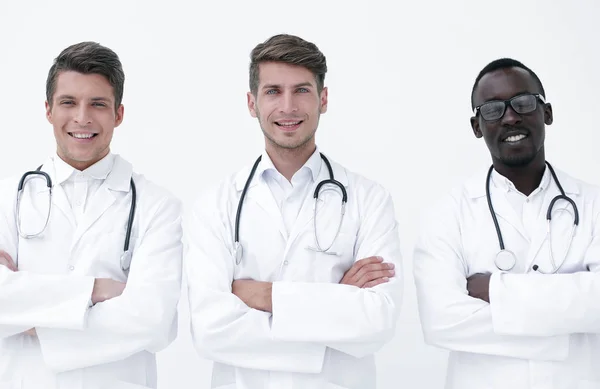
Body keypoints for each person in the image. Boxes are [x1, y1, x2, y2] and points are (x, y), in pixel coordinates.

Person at [185, 34, 403, 389]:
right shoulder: (216, 204)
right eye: (273, 91)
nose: (288, 107)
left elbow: (378, 322)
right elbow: (210, 330)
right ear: (252, 103)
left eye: (301, 90)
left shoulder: (369, 199)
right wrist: (336, 303)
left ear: (324, 99)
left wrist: (263, 295)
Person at [0, 42, 182, 389]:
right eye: (68, 102)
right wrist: (95, 290)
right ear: (48, 110)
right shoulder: (8, 197)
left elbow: (154, 321)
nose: (82, 117)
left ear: (118, 114)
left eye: (98, 104)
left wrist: (26, 317)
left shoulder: (158, 206)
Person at [413, 58, 600, 389]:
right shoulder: (448, 214)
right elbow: (441, 321)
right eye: (493, 109)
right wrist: (567, 331)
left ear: (548, 113)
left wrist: (497, 290)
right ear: (476, 126)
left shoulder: (593, 204)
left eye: (524, 103)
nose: (511, 117)